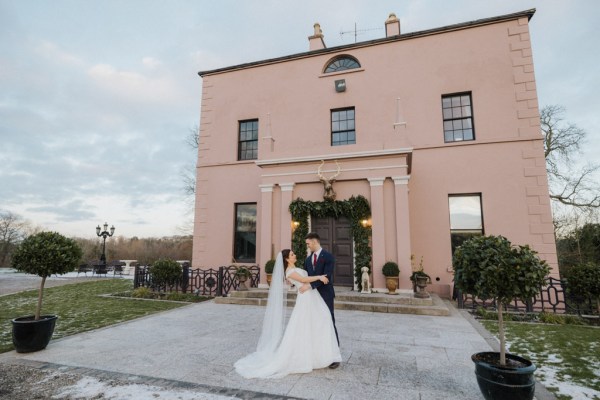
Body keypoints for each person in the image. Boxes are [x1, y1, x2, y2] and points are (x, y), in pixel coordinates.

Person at [234, 249, 342, 379]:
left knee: (321, 320)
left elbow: (304, 281)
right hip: (306, 299)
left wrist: (310, 283)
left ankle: (320, 355)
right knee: (312, 322)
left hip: (311, 296)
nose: (295, 255)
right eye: (292, 254)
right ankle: (307, 356)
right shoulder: (289, 272)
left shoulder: (295, 268)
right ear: (286, 259)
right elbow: (303, 279)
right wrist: (319, 277)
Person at [300, 232, 340, 369]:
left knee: (329, 321)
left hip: (325, 295)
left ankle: (335, 356)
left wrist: (310, 286)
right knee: (316, 324)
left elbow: (326, 277)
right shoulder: (307, 260)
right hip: (312, 297)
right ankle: (319, 353)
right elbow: (305, 276)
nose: (307, 246)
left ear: (315, 241)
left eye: (308, 243)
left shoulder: (328, 257)